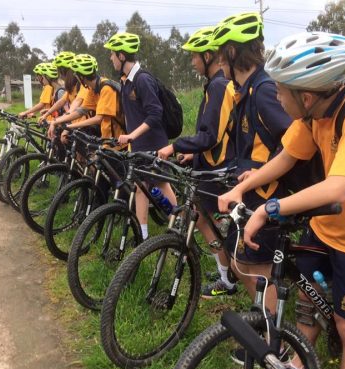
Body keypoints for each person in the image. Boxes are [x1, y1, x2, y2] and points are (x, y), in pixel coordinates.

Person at [219, 31, 345, 369]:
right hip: (323, 226)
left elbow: (337, 187)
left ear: (305, 96)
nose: (275, 96)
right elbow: (286, 157)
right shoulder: (315, 113)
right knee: (308, 311)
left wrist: (269, 209)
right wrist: (242, 189)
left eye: (281, 91)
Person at [205, 12, 292, 304]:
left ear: (231, 52)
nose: (218, 63)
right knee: (238, 258)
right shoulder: (245, 90)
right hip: (251, 188)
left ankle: (273, 343)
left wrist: (261, 171)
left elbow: (294, 142)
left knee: (259, 268)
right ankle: (264, 322)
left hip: (268, 192)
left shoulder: (264, 90)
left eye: (219, 56)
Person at [157, 27, 237, 297]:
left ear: (208, 54)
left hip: (221, 168)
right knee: (203, 218)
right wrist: (194, 153)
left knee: (212, 220)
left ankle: (229, 278)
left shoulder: (219, 85)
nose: (192, 62)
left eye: (194, 56)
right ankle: (226, 271)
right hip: (210, 163)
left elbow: (212, 135)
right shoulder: (213, 85)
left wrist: (175, 146)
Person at [104, 32, 177, 240]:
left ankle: (182, 222)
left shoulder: (142, 79)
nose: (110, 58)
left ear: (121, 55)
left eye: (112, 54)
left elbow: (155, 114)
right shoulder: (126, 81)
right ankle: (143, 235)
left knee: (161, 183)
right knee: (140, 187)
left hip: (154, 143)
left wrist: (131, 136)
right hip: (138, 145)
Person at [39, 51, 76, 123]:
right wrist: (48, 112)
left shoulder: (62, 91)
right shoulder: (70, 88)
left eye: (42, 78)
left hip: (77, 127)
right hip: (72, 125)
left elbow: (69, 111)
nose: (42, 80)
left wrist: (54, 121)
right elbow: (62, 103)